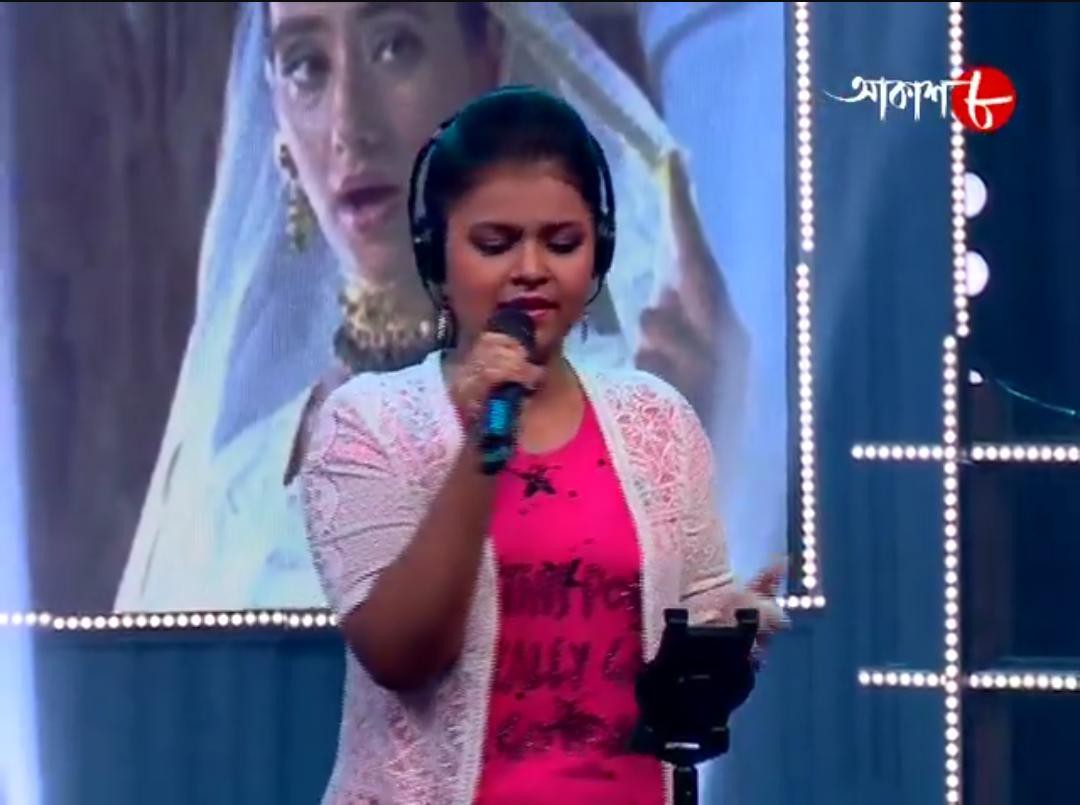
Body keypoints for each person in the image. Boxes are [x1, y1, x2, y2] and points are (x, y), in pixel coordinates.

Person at [115, 2, 748, 612]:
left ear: (487, 65)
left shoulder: (626, 409)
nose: (349, 125)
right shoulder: (230, 496)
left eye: (395, 47)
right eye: (307, 65)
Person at [298, 85, 784, 805]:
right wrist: (483, 440)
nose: (531, 268)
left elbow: (685, 647)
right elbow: (402, 654)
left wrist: (730, 633)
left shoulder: (656, 420)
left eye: (562, 243)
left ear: (599, 252)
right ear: (436, 256)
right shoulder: (367, 422)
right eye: (495, 244)